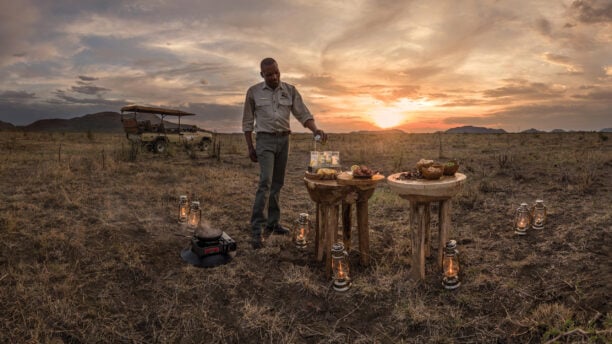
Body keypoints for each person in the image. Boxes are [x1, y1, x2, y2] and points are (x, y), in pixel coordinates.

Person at [242, 57, 327, 249]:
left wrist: (315, 130)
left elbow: (302, 113)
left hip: (284, 140)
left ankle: (273, 223)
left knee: (277, 183)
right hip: (264, 140)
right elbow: (247, 122)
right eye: (269, 74)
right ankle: (257, 228)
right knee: (265, 182)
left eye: (276, 73)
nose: (274, 77)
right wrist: (250, 146)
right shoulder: (253, 92)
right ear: (262, 74)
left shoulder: (290, 91)